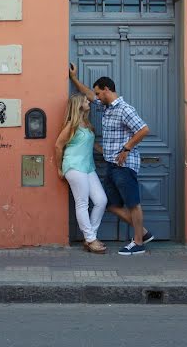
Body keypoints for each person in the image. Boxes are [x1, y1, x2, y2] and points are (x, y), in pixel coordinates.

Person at [69, 63, 153, 256]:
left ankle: (138, 242)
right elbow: (88, 94)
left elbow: (144, 130)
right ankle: (144, 233)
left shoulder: (124, 109)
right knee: (111, 204)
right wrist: (74, 79)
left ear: (107, 90)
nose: (96, 98)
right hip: (112, 166)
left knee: (133, 204)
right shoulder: (106, 107)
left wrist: (126, 148)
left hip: (125, 165)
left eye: (99, 93)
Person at [54, 94, 107, 254]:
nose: (88, 101)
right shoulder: (72, 125)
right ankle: (91, 239)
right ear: (78, 105)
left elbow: (92, 144)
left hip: (88, 167)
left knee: (101, 200)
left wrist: (106, 152)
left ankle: (90, 237)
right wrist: (59, 168)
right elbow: (58, 146)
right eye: (85, 100)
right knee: (82, 203)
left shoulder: (86, 123)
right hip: (74, 166)